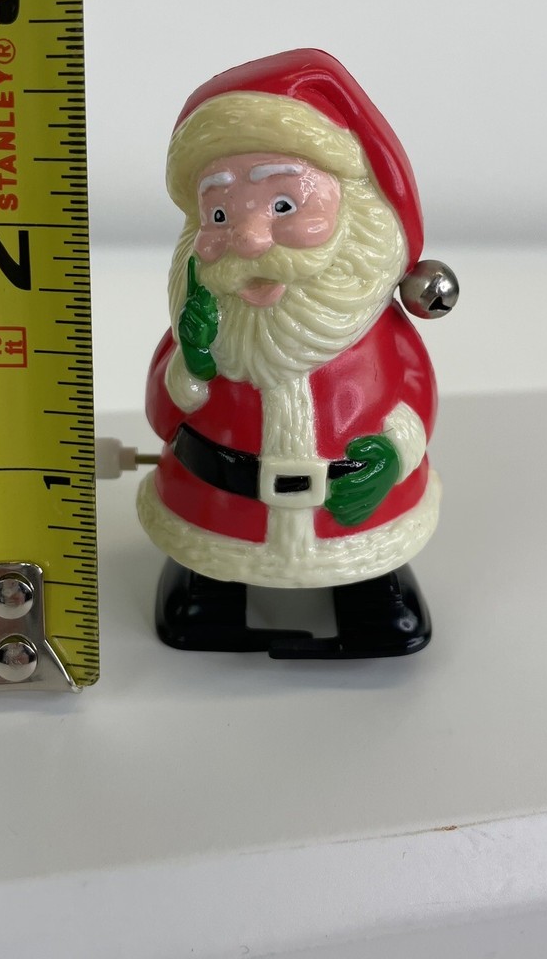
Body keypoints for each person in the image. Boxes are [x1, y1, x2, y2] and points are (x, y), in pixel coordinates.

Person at [137, 49, 448, 658]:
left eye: (284, 205)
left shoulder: (373, 333)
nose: (249, 239)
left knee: (365, 563)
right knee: (211, 563)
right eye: (220, 213)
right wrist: (193, 362)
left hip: (349, 509)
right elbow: (165, 412)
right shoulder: (209, 329)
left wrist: (393, 454)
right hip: (221, 506)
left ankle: (369, 591)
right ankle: (209, 593)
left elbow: (415, 398)